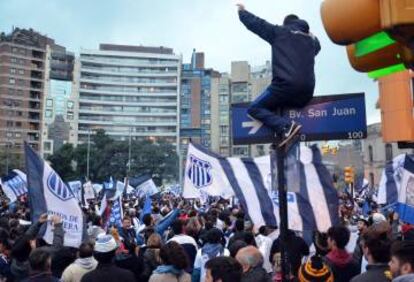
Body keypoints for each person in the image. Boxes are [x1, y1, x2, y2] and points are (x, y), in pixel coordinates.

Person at [237, 3, 320, 146]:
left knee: (254, 108)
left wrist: (242, 12)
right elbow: (317, 48)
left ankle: (286, 127)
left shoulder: (280, 32)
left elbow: (257, 24)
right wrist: (311, 36)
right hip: (306, 93)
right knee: (282, 105)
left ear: (285, 24)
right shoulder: (311, 41)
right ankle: (285, 132)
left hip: (285, 86)